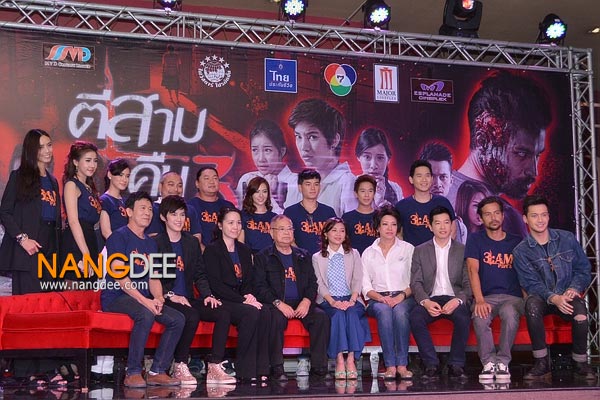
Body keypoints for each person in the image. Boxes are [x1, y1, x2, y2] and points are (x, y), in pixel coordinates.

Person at [448, 72, 551, 238]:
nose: (533, 172)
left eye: (537, 155)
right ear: (483, 140)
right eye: (522, 153)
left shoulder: (441, 199)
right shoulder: (447, 206)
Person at [101, 191, 184, 388]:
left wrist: (158, 298)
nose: (147, 213)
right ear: (129, 212)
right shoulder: (118, 237)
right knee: (145, 314)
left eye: (149, 209)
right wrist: (145, 301)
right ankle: (133, 372)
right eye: (142, 208)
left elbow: (153, 277)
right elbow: (120, 278)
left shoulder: (150, 243)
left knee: (177, 319)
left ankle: (157, 371)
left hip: (142, 297)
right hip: (117, 296)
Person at [513, 195, 596, 380]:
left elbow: (583, 269)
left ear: (549, 216)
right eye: (534, 215)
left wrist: (574, 288)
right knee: (532, 305)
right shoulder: (521, 251)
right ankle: (541, 363)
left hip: (567, 294)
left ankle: (580, 362)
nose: (540, 220)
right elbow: (530, 284)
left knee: (580, 311)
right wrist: (553, 298)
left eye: (544, 215)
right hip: (542, 297)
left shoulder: (566, 238)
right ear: (525, 219)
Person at [154, 196, 235, 385]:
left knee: (223, 312)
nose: (179, 219)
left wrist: (207, 295)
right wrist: (171, 295)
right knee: (191, 315)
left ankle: (215, 365)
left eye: (182, 215)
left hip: (188, 298)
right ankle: (180, 364)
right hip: (166, 298)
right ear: (164, 217)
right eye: (174, 214)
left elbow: (200, 274)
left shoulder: (191, 242)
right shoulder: (157, 243)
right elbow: (154, 277)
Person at [254, 215, 331, 381]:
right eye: (281, 229)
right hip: (276, 303)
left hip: (301, 302)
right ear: (271, 233)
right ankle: (277, 368)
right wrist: (278, 303)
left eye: (289, 229)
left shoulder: (303, 255)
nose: (287, 233)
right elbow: (259, 287)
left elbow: (312, 283)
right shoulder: (263, 257)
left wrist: (307, 301)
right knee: (274, 319)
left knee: (321, 318)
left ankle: (319, 368)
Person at [203, 207, 271, 383]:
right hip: (222, 300)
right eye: (230, 223)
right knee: (251, 312)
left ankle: (261, 368)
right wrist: (243, 300)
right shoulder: (212, 250)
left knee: (265, 311)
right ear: (220, 225)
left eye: (238, 223)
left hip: (240, 299)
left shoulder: (244, 250)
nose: (235, 227)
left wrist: (249, 295)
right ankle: (244, 369)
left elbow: (248, 280)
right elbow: (216, 285)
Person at [409, 206, 471, 379]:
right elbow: (416, 282)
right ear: (430, 226)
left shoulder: (463, 250)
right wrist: (426, 301)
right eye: (438, 223)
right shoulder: (420, 250)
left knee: (463, 317)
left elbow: (468, 283)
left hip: (454, 297)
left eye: (446, 222)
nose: (443, 227)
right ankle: (431, 364)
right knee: (415, 317)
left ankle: (456, 364)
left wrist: (458, 300)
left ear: (452, 225)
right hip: (431, 298)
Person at [465, 196, 523, 381]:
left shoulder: (517, 241)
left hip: (512, 297)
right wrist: (479, 300)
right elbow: (472, 270)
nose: (493, 218)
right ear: (481, 218)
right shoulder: (475, 240)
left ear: (503, 215)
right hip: (486, 296)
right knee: (480, 316)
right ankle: (489, 363)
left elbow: (526, 272)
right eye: (488, 214)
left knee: (509, 313)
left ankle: (503, 362)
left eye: (497, 213)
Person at [0, 129, 61, 294]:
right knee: (29, 302)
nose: (47, 150)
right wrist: (22, 239)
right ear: (31, 150)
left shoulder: (53, 181)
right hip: (28, 249)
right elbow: (5, 212)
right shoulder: (19, 176)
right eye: (41, 147)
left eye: (49, 145)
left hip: (50, 248)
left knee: (49, 302)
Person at [312, 217, 370, 380]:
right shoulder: (317, 257)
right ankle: (339, 360)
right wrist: (333, 302)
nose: (338, 234)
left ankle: (351, 359)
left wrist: (352, 300)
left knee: (351, 313)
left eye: (342, 231)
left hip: (351, 298)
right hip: (328, 300)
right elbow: (319, 284)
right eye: (334, 230)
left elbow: (358, 279)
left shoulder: (353, 254)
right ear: (325, 234)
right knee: (337, 315)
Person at [361, 205, 415, 380]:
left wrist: (401, 296)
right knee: (384, 311)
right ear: (377, 227)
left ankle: (402, 365)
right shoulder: (368, 253)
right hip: (377, 298)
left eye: (393, 224)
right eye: (385, 224)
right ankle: (390, 365)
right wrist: (381, 298)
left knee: (400, 312)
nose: (390, 228)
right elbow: (365, 286)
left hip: (404, 296)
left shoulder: (408, 249)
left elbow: (415, 280)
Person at [94, 158, 131, 382]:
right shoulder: (105, 200)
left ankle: (111, 365)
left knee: (122, 307)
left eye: (127, 176)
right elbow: (107, 232)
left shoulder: (124, 203)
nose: (124, 179)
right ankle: (101, 366)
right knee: (107, 306)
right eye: (120, 175)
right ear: (109, 175)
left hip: (125, 257)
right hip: (111, 255)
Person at [288, 98, 356, 216]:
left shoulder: (347, 183)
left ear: (334, 140)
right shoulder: (296, 183)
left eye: (312, 137)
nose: (304, 147)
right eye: (298, 136)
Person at [235, 120, 300, 212]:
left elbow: (291, 219)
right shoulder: (246, 180)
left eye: (267, 150)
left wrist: (270, 194)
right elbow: (238, 216)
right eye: (255, 150)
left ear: (282, 151)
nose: (261, 159)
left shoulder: (296, 183)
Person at [61, 141, 102, 283]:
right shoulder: (71, 185)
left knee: (88, 291)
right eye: (88, 160)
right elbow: (73, 221)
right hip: (76, 243)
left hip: (90, 241)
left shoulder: (90, 188)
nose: (92, 165)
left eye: (95, 161)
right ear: (76, 162)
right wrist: (85, 253)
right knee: (74, 290)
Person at [395, 160, 456, 246]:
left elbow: (452, 230)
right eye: (419, 176)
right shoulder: (401, 206)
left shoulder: (443, 203)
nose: (424, 180)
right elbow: (398, 235)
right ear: (411, 179)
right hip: (410, 253)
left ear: (431, 179)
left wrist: (443, 251)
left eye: (427, 176)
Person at [419, 142, 467, 244]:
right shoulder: (408, 214)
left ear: (451, 180)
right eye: (431, 176)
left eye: (443, 177)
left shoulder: (459, 226)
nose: (437, 184)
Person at [284, 169, 336, 255]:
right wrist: (300, 255)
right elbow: (287, 238)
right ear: (300, 188)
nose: (313, 188)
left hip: (324, 258)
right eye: (308, 184)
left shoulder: (328, 212)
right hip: (298, 259)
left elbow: (335, 237)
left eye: (316, 184)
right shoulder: (290, 212)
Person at [187, 167, 235, 249]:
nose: (212, 182)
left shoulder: (228, 207)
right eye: (207, 178)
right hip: (198, 253)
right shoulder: (189, 207)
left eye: (215, 178)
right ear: (197, 183)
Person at [146, 171, 202, 242]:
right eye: (171, 185)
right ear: (160, 187)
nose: (176, 189)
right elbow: (150, 237)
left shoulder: (190, 210)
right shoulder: (152, 210)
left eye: (179, 186)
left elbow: (197, 236)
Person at [355, 128, 403, 207]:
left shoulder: (395, 189)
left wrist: (381, 202)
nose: (373, 166)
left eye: (380, 158)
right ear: (358, 157)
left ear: (388, 159)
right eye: (367, 157)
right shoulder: (349, 186)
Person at [239, 176, 277, 254]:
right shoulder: (242, 216)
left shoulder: (274, 217)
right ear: (251, 194)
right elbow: (240, 243)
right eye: (257, 192)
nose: (261, 195)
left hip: (270, 257)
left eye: (264, 191)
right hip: (250, 257)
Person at [342, 175, 378, 255]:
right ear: (356, 193)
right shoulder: (347, 218)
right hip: (353, 260)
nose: (366, 195)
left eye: (370, 191)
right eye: (362, 191)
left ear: (374, 193)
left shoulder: (380, 217)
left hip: (376, 260)